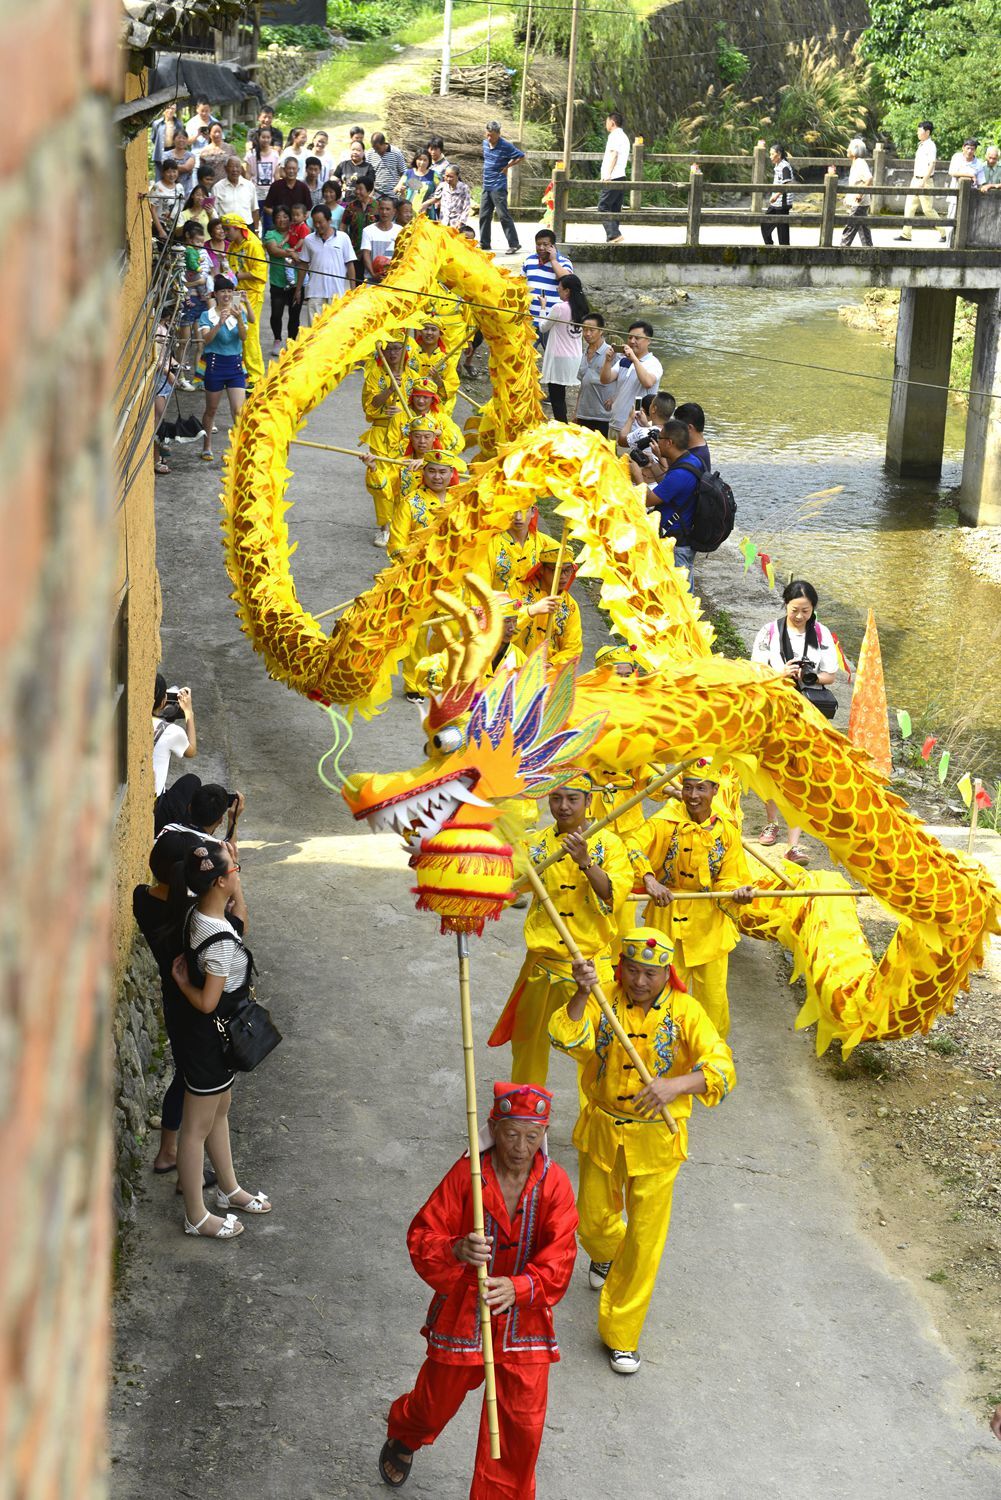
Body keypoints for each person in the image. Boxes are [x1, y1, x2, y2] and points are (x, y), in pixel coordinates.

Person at [549, 929, 736, 1375]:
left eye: (650, 973)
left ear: (665, 973)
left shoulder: (687, 1011)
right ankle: (606, 1252)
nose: (639, 981)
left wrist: (677, 1084)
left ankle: (622, 1334)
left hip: (657, 1143)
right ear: (620, 968)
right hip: (601, 1132)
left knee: (646, 1242)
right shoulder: (600, 996)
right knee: (592, 1221)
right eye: (632, 970)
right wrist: (579, 991)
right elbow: (564, 1037)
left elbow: (723, 1067)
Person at [380, 1082, 577, 1494]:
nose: (521, 1147)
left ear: (544, 1135)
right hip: (466, 1304)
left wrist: (523, 1285)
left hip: (525, 1315)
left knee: (519, 1430)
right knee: (434, 1406)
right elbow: (423, 1234)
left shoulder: (554, 1183)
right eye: (511, 1133)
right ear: (492, 1127)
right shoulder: (468, 1175)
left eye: (532, 1135)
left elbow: (562, 1253)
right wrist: (455, 1249)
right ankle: (406, 1432)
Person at [488, 774, 633, 1085]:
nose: (563, 806)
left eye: (572, 799)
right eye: (556, 798)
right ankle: (526, 1123)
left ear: (589, 801)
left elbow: (612, 895)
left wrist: (585, 862)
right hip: (542, 965)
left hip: (591, 968)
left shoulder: (610, 845)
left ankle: (595, 1127)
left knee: (597, 1051)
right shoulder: (535, 844)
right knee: (527, 1046)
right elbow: (507, 885)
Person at [167, 844, 272, 1239]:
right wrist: (182, 984)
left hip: (214, 1039)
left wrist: (232, 872)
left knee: (220, 1110)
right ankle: (196, 1214)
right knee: (194, 1128)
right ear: (220, 881)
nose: (239, 873)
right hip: (210, 1039)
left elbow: (238, 917)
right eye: (236, 869)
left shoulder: (201, 915)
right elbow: (208, 1002)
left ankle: (229, 1189)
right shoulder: (221, 942)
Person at [628, 762, 754, 1038]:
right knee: (662, 996)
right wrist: (648, 878)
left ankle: (708, 1061)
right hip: (666, 921)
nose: (693, 795)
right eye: (687, 787)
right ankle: (656, 1056)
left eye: (701, 788)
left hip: (710, 927)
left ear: (715, 791)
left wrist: (737, 893)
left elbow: (731, 876)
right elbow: (631, 846)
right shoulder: (663, 822)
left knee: (714, 1000)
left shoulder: (727, 831)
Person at [750, 579, 839, 865]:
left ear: (813, 609)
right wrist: (780, 673)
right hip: (774, 707)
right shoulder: (769, 632)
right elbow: (754, 670)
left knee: (800, 772)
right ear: (785, 605)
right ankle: (771, 822)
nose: (800, 616)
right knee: (772, 768)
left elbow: (830, 676)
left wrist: (805, 677)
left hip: (807, 712)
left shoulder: (822, 634)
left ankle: (794, 844)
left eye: (806, 610)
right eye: (794, 610)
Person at [133, 831, 203, 1175]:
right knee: (195, 1081)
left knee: (186, 1075)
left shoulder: (141, 899)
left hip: (171, 996)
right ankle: (172, 1156)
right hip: (197, 1000)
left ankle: (171, 1152)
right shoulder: (193, 913)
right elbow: (237, 927)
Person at [360, 338, 410, 546]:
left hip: (404, 435)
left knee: (402, 480)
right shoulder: (374, 375)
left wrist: (403, 412)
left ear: (404, 350)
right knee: (381, 479)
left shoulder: (412, 376)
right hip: (380, 433)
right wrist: (389, 391)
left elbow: (424, 406)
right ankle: (384, 528)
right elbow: (370, 405)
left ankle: (401, 524)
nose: (392, 353)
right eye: (388, 349)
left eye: (397, 348)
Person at [643, 419, 701, 590]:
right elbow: (668, 487)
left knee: (678, 594)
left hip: (676, 544)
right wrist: (652, 464)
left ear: (669, 442)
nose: (657, 441)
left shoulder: (680, 474)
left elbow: (648, 499)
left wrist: (636, 475)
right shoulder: (692, 461)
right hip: (684, 537)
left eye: (660, 438)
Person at [198, 277, 251, 461]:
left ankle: (237, 448)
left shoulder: (238, 312)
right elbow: (206, 340)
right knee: (211, 409)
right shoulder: (207, 316)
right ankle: (207, 446)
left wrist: (239, 319)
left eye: (230, 291)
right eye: (222, 291)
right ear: (216, 294)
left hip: (235, 365)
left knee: (238, 410)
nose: (226, 295)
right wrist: (219, 323)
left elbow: (243, 338)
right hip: (215, 365)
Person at [513, 536, 584, 669]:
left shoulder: (570, 606)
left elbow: (573, 649)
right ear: (541, 570)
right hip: (517, 669)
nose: (563, 576)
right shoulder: (519, 591)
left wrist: (552, 664)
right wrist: (531, 611)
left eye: (567, 570)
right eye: (556, 571)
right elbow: (503, 629)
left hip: (549, 674)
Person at [598, 321, 663, 445]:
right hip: (614, 422)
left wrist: (634, 359)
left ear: (648, 340)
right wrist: (607, 361)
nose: (632, 341)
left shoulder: (654, 363)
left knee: (628, 463)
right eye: (630, 337)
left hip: (635, 428)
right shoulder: (624, 361)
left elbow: (648, 382)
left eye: (637, 338)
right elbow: (605, 379)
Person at [388, 454, 458, 565]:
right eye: (432, 471)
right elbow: (398, 540)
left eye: (442, 472)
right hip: (417, 568)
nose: (437, 477)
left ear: (451, 474)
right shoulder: (411, 502)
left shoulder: (460, 501)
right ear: (423, 472)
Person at [223, 217, 267, 387]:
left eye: (228, 230)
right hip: (236, 292)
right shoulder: (233, 245)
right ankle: (241, 372)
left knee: (249, 334)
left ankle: (256, 378)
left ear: (237, 228)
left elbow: (260, 273)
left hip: (251, 294)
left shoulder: (253, 245)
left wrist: (236, 276)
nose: (226, 233)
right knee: (235, 331)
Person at [294, 204, 356, 324]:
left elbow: (350, 265)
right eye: (315, 222)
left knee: (334, 332)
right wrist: (298, 289)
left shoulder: (343, 238)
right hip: (315, 294)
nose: (317, 225)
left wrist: (353, 291)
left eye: (321, 222)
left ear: (329, 220)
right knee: (314, 334)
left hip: (337, 294)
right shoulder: (308, 240)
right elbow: (303, 266)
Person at [539, 273, 588, 423]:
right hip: (575, 357)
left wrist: (543, 307)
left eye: (559, 289)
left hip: (559, 358)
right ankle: (564, 424)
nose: (558, 291)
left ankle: (562, 427)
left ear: (567, 291)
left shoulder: (558, 308)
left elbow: (543, 328)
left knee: (557, 397)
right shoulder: (584, 308)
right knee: (563, 395)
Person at [486, 504, 555, 604]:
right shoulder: (490, 545)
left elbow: (560, 579)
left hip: (537, 614)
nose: (518, 517)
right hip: (501, 613)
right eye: (513, 511)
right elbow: (480, 587)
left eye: (523, 511)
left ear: (533, 512)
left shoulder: (546, 544)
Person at [897, 121, 946, 242]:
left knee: (927, 209)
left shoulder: (931, 145)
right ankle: (906, 234)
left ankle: (944, 232)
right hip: (916, 179)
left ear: (927, 132)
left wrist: (924, 181)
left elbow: (932, 164)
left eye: (920, 130)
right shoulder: (921, 145)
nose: (918, 133)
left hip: (925, 181)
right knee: (909, 207)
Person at [480, 121, 524, 253]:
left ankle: (514, 244)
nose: (489, 138)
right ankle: (484, 243)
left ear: (498, 134)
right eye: (488, 135)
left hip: (498, 185)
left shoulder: (505, 145)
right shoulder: (485, 144)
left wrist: (507, 167)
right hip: (486, 184)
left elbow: (521, 156)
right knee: (484, 215)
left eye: (492, 136)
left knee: (503, 215)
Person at [152, 675, 197, 801]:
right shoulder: (171, 732)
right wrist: (188, 712)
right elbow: (191, 751)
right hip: (155, 801)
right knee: (192, 781)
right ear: (163, 701)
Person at [521, 230, 574, 336]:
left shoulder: (564, 262)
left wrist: (553, 260)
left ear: (553, 246)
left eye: (545, 244)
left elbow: (566, 279)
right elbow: (520, 284)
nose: (541, 248)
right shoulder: (529, 260)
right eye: (538, 244)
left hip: (552, 323)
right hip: (529, 322)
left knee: (552, 353)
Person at [263, 205, 300, 353]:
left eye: (285, 216)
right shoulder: (270, 234)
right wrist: (291, 253)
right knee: (276, 313)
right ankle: (277, 339)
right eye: (278, 217)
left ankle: (291, 341)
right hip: (277, 281)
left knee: (294, 314)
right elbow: (273, 250)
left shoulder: (297, 233)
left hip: (296, 281)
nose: (282, 220)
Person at [573, 313, 614, 435]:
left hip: (603, 416)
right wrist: (576, 411)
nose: (587, 334)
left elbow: (627, 379)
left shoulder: (611, 353)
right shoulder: (584, 353)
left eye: (592, 330)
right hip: (584, 414)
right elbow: (583, 385)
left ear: (601, 331)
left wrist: (615, 398)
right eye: (584, 329)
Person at [597, 110, 630, 243]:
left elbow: (614, 155)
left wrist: (607, 174)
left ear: (612, 122)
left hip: (613, 176)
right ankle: (613, 236)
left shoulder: (614, 136)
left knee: (603, 206)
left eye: (607, 122)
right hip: (621, 175)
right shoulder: (624, 136)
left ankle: (614, 234)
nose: (606, 124)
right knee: (615, 208)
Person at [214, 153, 259, 232]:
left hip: (246, 227)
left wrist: (256, 230)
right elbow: (214, 212)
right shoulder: (217, 187)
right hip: (227, 228)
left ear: (241, 169)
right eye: (231, 166)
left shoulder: (249, 185)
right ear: (225, 168)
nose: (235, 170)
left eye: (237, 166)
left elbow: (254, 210)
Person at [360, 194, 401, 279]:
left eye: (388, 209)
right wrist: (373, 275)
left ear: (394, 211)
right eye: (382, 209)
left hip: (392, 280)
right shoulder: (368, 231)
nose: (384, 212)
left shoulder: (400, 231)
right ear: (378, 210)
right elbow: (366, 254)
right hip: (371, 280)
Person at [841, 138, 873, 247]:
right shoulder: (856, 163)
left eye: (849, 148)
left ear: (854, 151)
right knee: (863, 229)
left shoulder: (860, 163)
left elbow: (869, 179)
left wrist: (860, 194)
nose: (847, 149)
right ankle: (869, 250)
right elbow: (855, 183)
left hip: (859, 202)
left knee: (850, 227)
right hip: (859, 202)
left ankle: (842, 249)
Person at [147, 156, 186, 242]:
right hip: (162, 226)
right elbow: (152, 210)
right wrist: (160, 230)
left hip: (176, 227)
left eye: (174, 171)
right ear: (163, 173)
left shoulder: (179, 187)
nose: (172, 175)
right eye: (168, 172)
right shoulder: (157, 187)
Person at [245, 125, 282, 215]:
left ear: (271, 138)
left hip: (271, 194)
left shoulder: (275, 154)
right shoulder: (251, 154)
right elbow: (248, 174)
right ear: (259, 138)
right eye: (263, 137)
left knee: (269, 223)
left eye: (268, 137)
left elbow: (276, 175)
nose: (266, 140)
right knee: (255, 219)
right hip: (255, 194)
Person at [761, 143, 793, 245]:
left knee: (782, 229)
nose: (770, 157)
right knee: (765, 223)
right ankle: (769, 246)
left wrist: (776, 195)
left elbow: (787, 184)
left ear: (778, 154)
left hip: (782, 203)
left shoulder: (785, 166)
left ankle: (784, 252)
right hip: (776, 203)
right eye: (769, 154)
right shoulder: (778, 165)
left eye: (772, 154)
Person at [263, 155, 313, 220]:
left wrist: (300, 219)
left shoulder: (303, 187)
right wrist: (278, 216)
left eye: (294, 168)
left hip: (298, 225)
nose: (291, 171)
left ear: (298, 170)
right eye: (289, 168)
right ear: (284, 169)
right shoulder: (276, 186)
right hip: (280, 224)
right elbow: (266, 207)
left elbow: (309, 209)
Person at [366, 131, 407, 198]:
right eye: (374, 148)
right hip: (375, 195)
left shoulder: (396, 153)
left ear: (383, 144)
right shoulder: (369, 154)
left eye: (378, 148)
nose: (376, 151)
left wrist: (399, 185)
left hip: (392, 195)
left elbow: (404, 173)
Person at [672, 400, 711, 470]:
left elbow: (671, 479)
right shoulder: (700, 444)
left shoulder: (692, 460)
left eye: (677, 426)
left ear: (689, 428)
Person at [436, 164, 473, 228]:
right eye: (446, 176)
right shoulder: (442, 186)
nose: (448, 179)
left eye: (451, 177)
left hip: (457, 223)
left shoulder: (464, 188)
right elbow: (435, 198)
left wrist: (461, 221)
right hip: (443, 222)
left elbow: (466, 206)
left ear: (457, 176)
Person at [204, 216, 236, 284]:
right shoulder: (204, 247)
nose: (222, 231)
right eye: (218, 229)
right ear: (211, 232)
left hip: (229, 283)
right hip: (210, 283)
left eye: (223, 228)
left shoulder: (231, 246)